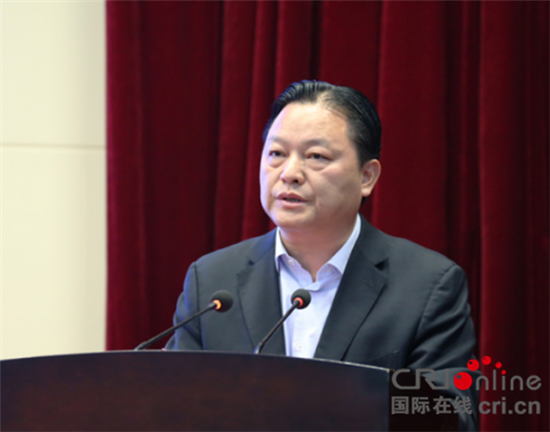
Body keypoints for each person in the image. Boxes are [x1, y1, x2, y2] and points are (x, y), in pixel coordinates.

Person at [166, 80, 479, 430]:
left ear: (367, 176)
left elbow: (453, 419)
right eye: (276, 154)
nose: (289, 174)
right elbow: (171, 408)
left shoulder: (427, 286)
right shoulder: (211, 281)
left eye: (316, 156)